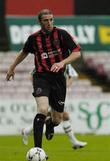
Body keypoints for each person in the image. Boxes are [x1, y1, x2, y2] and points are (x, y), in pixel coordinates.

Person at [6, 9, 81, 149]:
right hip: (41, 77)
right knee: (42, 108)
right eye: (46, 20)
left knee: (57, 119)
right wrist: (12, 67)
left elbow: (77, 52)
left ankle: (49, 124)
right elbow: (24, 52)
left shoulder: (62, 34)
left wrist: (62, 62)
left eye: (51, 19)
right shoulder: (34, 38)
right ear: (40, 22)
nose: (49, 23)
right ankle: (37, 149)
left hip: (59, 79)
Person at [22, 64, 87, 149]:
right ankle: (74, 141)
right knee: (61, 116)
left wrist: (64, 85)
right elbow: (32, 75)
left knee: (51, 117)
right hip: (46, 94)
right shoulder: (46, 62)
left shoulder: (65, 63)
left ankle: (27, 131)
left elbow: (74, 75)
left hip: (57, 93)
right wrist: (40, 86)